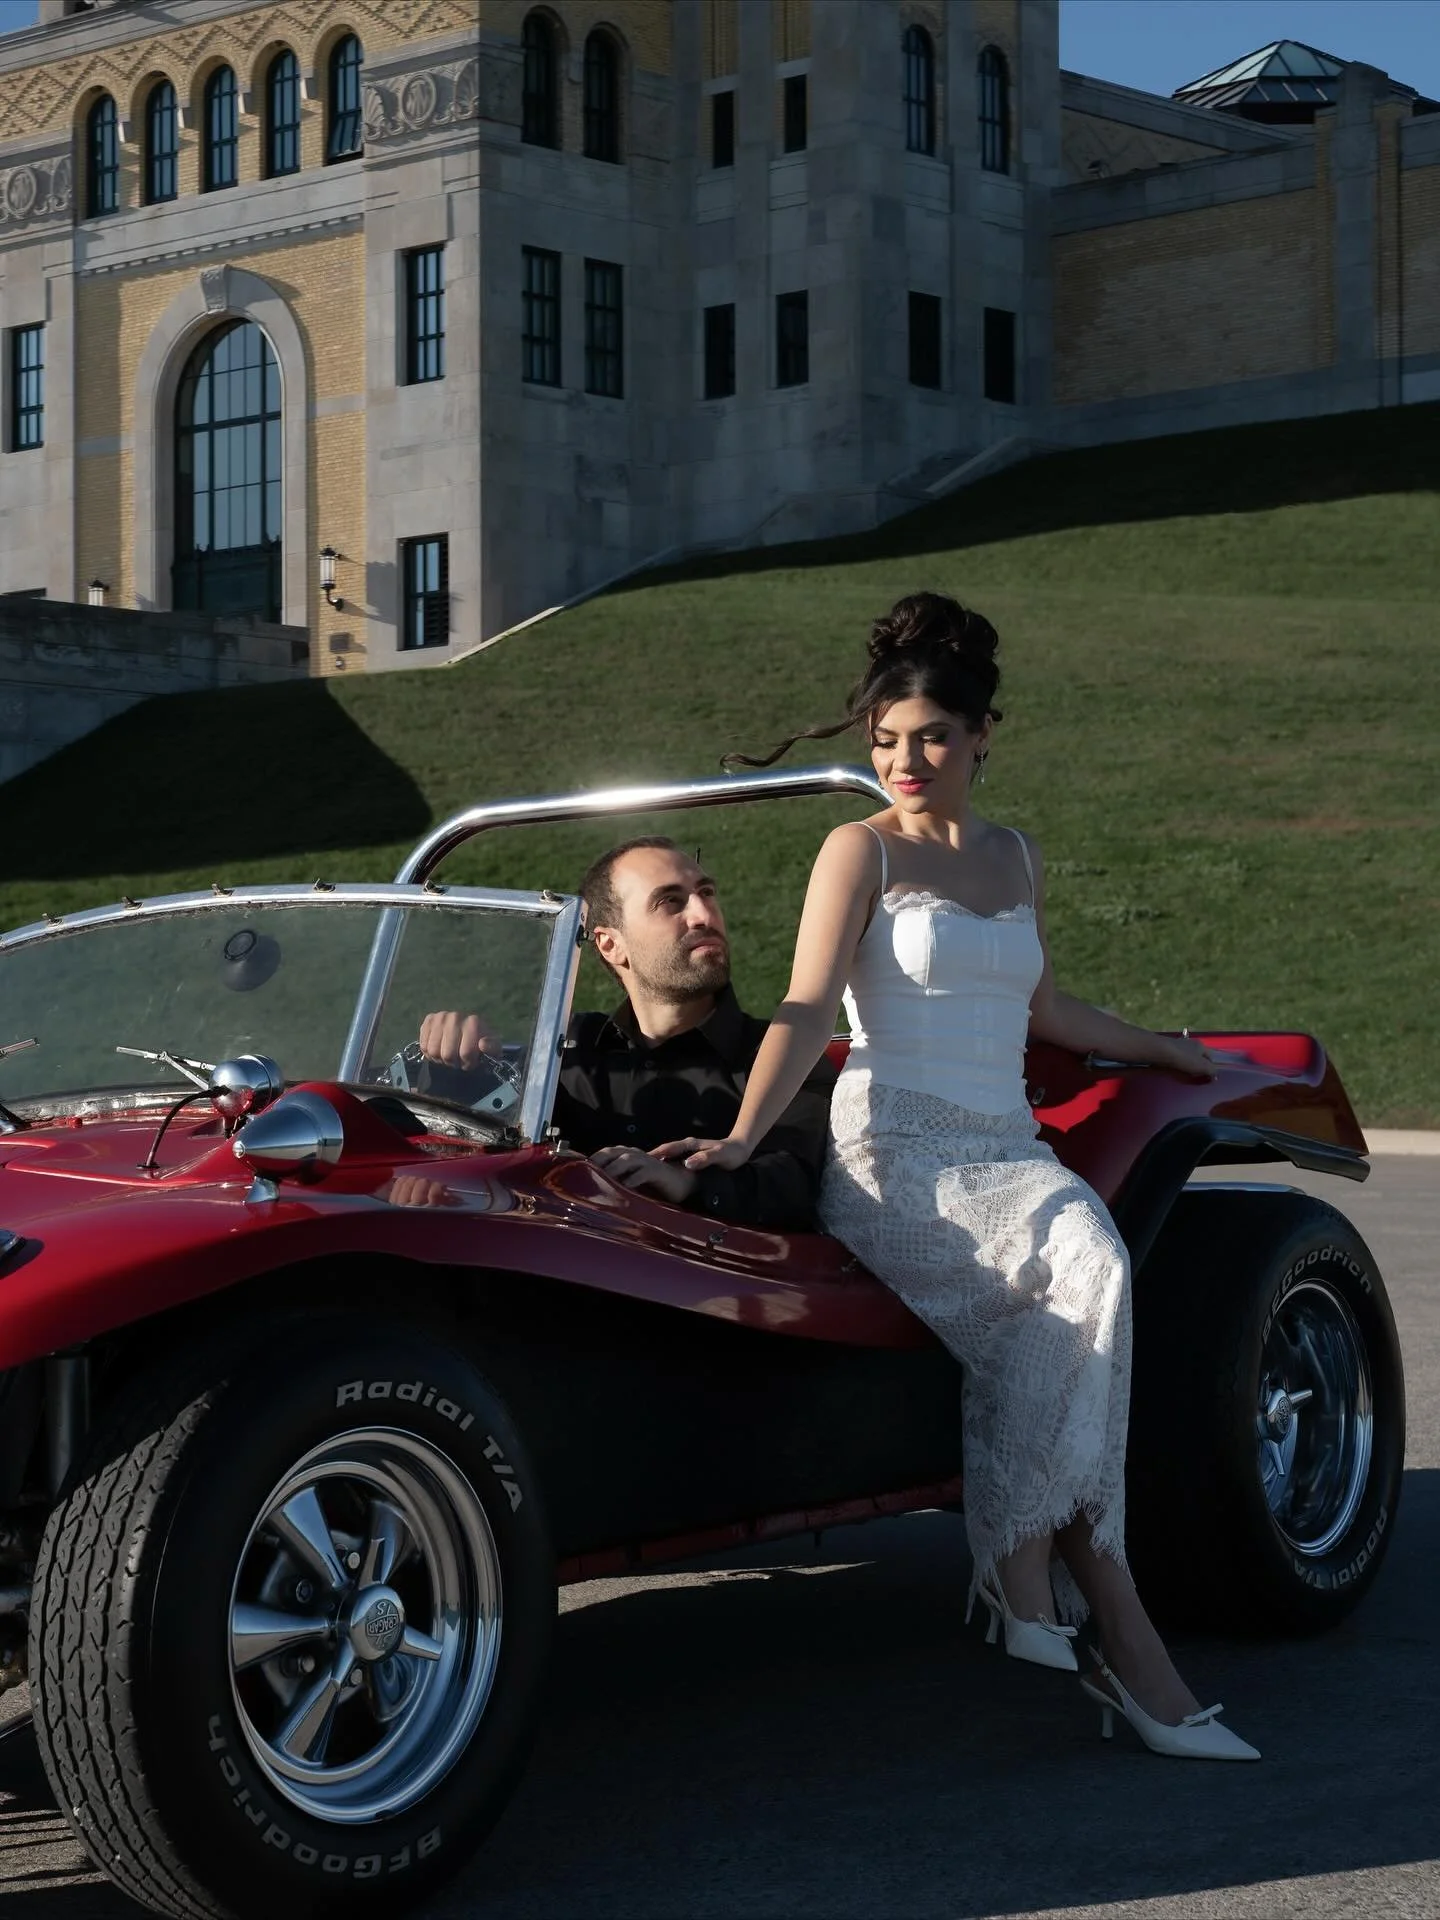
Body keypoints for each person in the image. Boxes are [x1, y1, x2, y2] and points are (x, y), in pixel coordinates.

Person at [654, 591, 1259, 1762]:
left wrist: (1168, 1048)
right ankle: (1101, 1633)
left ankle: (1028, 1580)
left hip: (1005, 1150)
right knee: (1076, 1293)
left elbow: (1046, 1009)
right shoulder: (858, 848)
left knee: (1080, 1284)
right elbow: (805, 1004)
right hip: (899, 1159)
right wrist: (736, 1139)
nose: (905, 761)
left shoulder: (1016, 856)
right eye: (884, 741)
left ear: (985, 735)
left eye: (930, 736)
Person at [417, 836, 835, 1232]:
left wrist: (688, 1183)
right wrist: (453, 1061)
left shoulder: (781, 1052)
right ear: (610, 945)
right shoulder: (568, 1048)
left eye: (706, 893)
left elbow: (796, 1188)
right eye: (670, 902)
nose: (704, 916)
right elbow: (474, 1147)